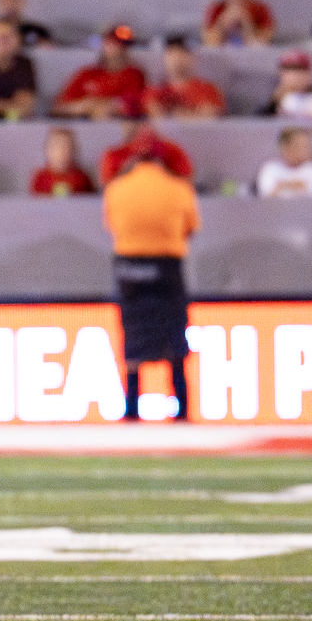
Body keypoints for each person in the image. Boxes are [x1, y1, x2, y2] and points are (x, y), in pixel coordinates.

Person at [103, 136, 199, 423]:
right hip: (168, 265)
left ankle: (131, 406)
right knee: (173, 330)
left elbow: (112, 226)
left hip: (129, 266)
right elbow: (191, 226)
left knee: (133, 330)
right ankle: (181, 405)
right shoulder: (179, 188)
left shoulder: (116, 190)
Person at [53, 25, 147, 120]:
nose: (115, 48)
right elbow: (58, 108)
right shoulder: (87, 74)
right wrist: (85, 105)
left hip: (114, 125)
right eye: (111, 43)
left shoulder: (133, 75)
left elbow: (134, 106)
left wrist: (103, 104)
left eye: (120, 45)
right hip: (82, 124)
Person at [142, 36, 227, 118]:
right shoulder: (155, 90)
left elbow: (210, 115)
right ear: (165, 58)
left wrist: (177, 114)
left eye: (181, 54)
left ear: (191, 58)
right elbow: (156, 114)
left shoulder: (208, 89)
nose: (177, 59)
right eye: (172, 54)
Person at [100, 119, 194, 182]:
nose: (145, 144)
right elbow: (108, 184)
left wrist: (163, 167)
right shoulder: (116, 154)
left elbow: (186, 179)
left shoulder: (171, 151)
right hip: (129, 197)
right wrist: (129, 166)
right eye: (140, 138)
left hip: (165, 196)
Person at [258, 50, 312, 120]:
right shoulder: (271, 99)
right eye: (289, 71)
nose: (294, 76)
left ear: (310, 75)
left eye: (299, 71)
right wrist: (274, 105)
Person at [255, 126, 312, 197]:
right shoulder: (270, 169)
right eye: (300, 146)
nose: (307, 151)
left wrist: (284, 185)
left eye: (307, 147)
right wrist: (291, 185)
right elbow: (266, 200)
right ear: (286, 148)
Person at [31, 126, 96, 196]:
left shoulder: (81, 179)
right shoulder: (41, 178)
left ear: (74, 151)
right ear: (47, 150)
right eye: (57, 147)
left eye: (66, 148)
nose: (61, 152)